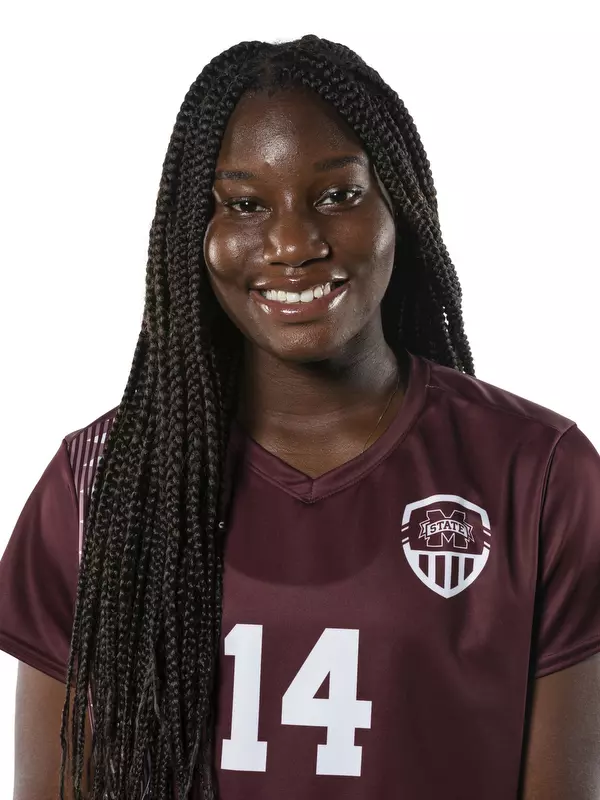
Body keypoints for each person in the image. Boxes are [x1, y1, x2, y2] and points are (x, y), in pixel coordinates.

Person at [0, 33, 599, 800]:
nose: (292, 243)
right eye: (246, 205)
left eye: (338, 195)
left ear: (400, 205)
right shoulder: (98, 485)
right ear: (194, 230)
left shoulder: (538, 474)